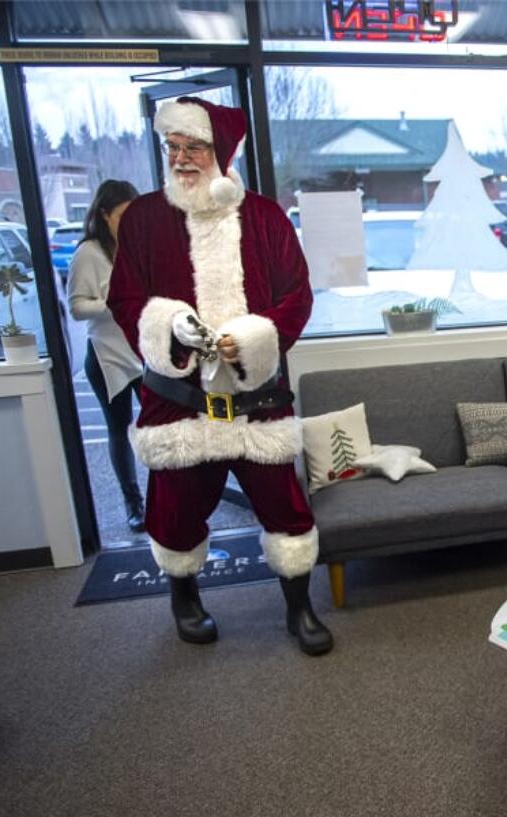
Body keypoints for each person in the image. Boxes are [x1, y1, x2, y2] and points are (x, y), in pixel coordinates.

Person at [107, 97, 332, 656]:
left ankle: (299, 607)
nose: (182, 159)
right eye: (173, 148)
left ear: (222, 152)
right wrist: (169, 328)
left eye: (194, 148)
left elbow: (296, 298)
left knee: (286, 507)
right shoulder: (142, 219)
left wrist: (254, 340)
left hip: (255, 397)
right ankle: (184, 596)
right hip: (178, 401)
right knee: (175, 507)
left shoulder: (264, 217)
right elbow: (125, 299)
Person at [68, 180, 145, 533]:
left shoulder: (134, 247)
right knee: (119, 429)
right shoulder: (89, 253)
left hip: (142, 351)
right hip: (106, 355)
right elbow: (77, 307)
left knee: (162, 424)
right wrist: (113, 304)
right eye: (123, 216)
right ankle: (133, 502)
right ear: (103, 214)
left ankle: (171, 497)